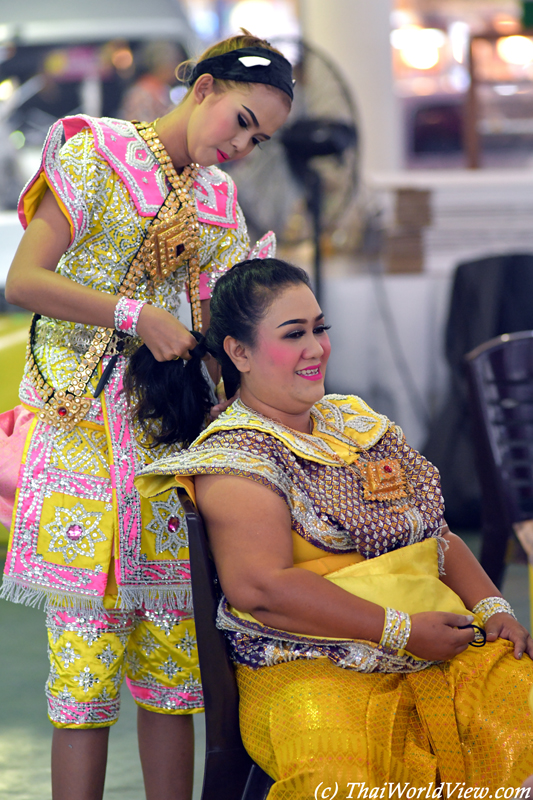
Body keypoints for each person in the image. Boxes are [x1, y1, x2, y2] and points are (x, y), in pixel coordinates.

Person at [0, 33, 292, 800]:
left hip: (168, 451)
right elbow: (23, 280)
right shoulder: (92, 153)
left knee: (174, 671)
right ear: (201, 89)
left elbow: (224, 315)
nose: (240, 145)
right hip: (81, 443)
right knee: (84, 678)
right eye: (239, 121)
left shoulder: (217, 201)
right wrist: (135, 314)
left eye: (258, 139)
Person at [137, 258, 533, 798]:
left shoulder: (355, 420)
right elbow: (263, 588)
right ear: (239, 352)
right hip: (305, 664)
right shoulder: (235, 458)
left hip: (438, 643)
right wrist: (401, 631)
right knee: (339, 776)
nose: (316, 348)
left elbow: (435, 536)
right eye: (294, 334)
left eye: (320, 329)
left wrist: (495, 609)